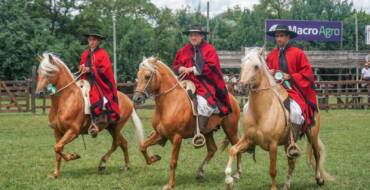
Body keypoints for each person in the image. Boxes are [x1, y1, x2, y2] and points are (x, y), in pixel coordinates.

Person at [266, 25, 318, 158]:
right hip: (275, 91)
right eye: (277, 36)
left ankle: (292, 142)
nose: (279, 39)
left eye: (282, 36)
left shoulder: (298, 53)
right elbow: (265, 74)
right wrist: (268, 72)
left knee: (295, 111)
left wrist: (291, 76)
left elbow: (307, 74)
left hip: (293, 91)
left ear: (288, 37)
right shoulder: (271, 55)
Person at [172, 25, 232, 140]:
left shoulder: (210, 49)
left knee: (204, 104)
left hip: (205, 83)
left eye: (196, 35)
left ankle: (199, 133)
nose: (193, 37)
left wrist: (191, 69)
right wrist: (181, 69)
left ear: (201, 36)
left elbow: (211, 67)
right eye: (191, 35)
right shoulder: (183, 50)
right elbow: (176, 64)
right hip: (185, 81)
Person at [79, 31, 120, 138]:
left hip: (99, 81)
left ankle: (96, 122)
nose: (91, 42)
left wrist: (90, 69)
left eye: (94, 40)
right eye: (90, 40)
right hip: (85, 79)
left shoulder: (103, 54)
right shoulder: (85, 53)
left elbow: (105, 70)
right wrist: (82, 68)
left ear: (98, 42)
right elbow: (82, 65)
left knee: (96, 97)